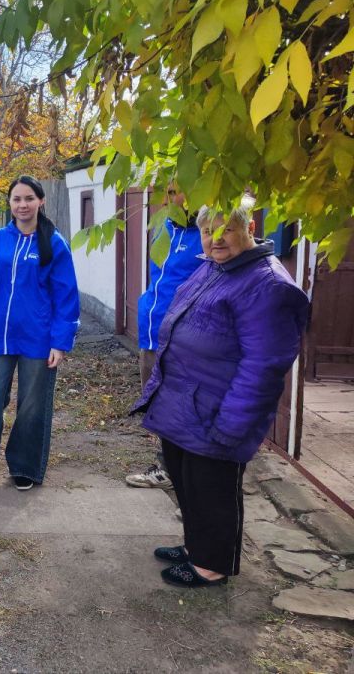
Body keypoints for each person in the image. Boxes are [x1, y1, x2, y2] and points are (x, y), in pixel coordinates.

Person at [132, 197, 309, 587]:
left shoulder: (267, 285)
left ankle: (212, 565)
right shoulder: (215, 267)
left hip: (219, 408)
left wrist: (232, 424)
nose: (216, 238)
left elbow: (263, 365)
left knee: (213, 488)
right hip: (187, 401)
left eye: (227, 228)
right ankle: (196, 547)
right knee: (187, 481)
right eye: (208, 230)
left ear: (250, 228)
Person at [0, 176, 80, 494]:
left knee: (32, 405)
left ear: (41, 202)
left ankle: (24, 467)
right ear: (10, 203)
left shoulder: (54, 244)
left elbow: (66, 296)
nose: (22, 205)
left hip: (38, 340)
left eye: (28, 199)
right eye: (16, 199)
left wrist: (60, 342)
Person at [125, 186, 202, 490]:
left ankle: (190, 479)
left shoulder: (208, 233)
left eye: (179, 191)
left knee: (185, 407)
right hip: (152, 332)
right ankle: (168, 468)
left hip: (185, 337)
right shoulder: (164, 228)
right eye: (169, 191)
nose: (172, 198)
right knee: (159, 407)